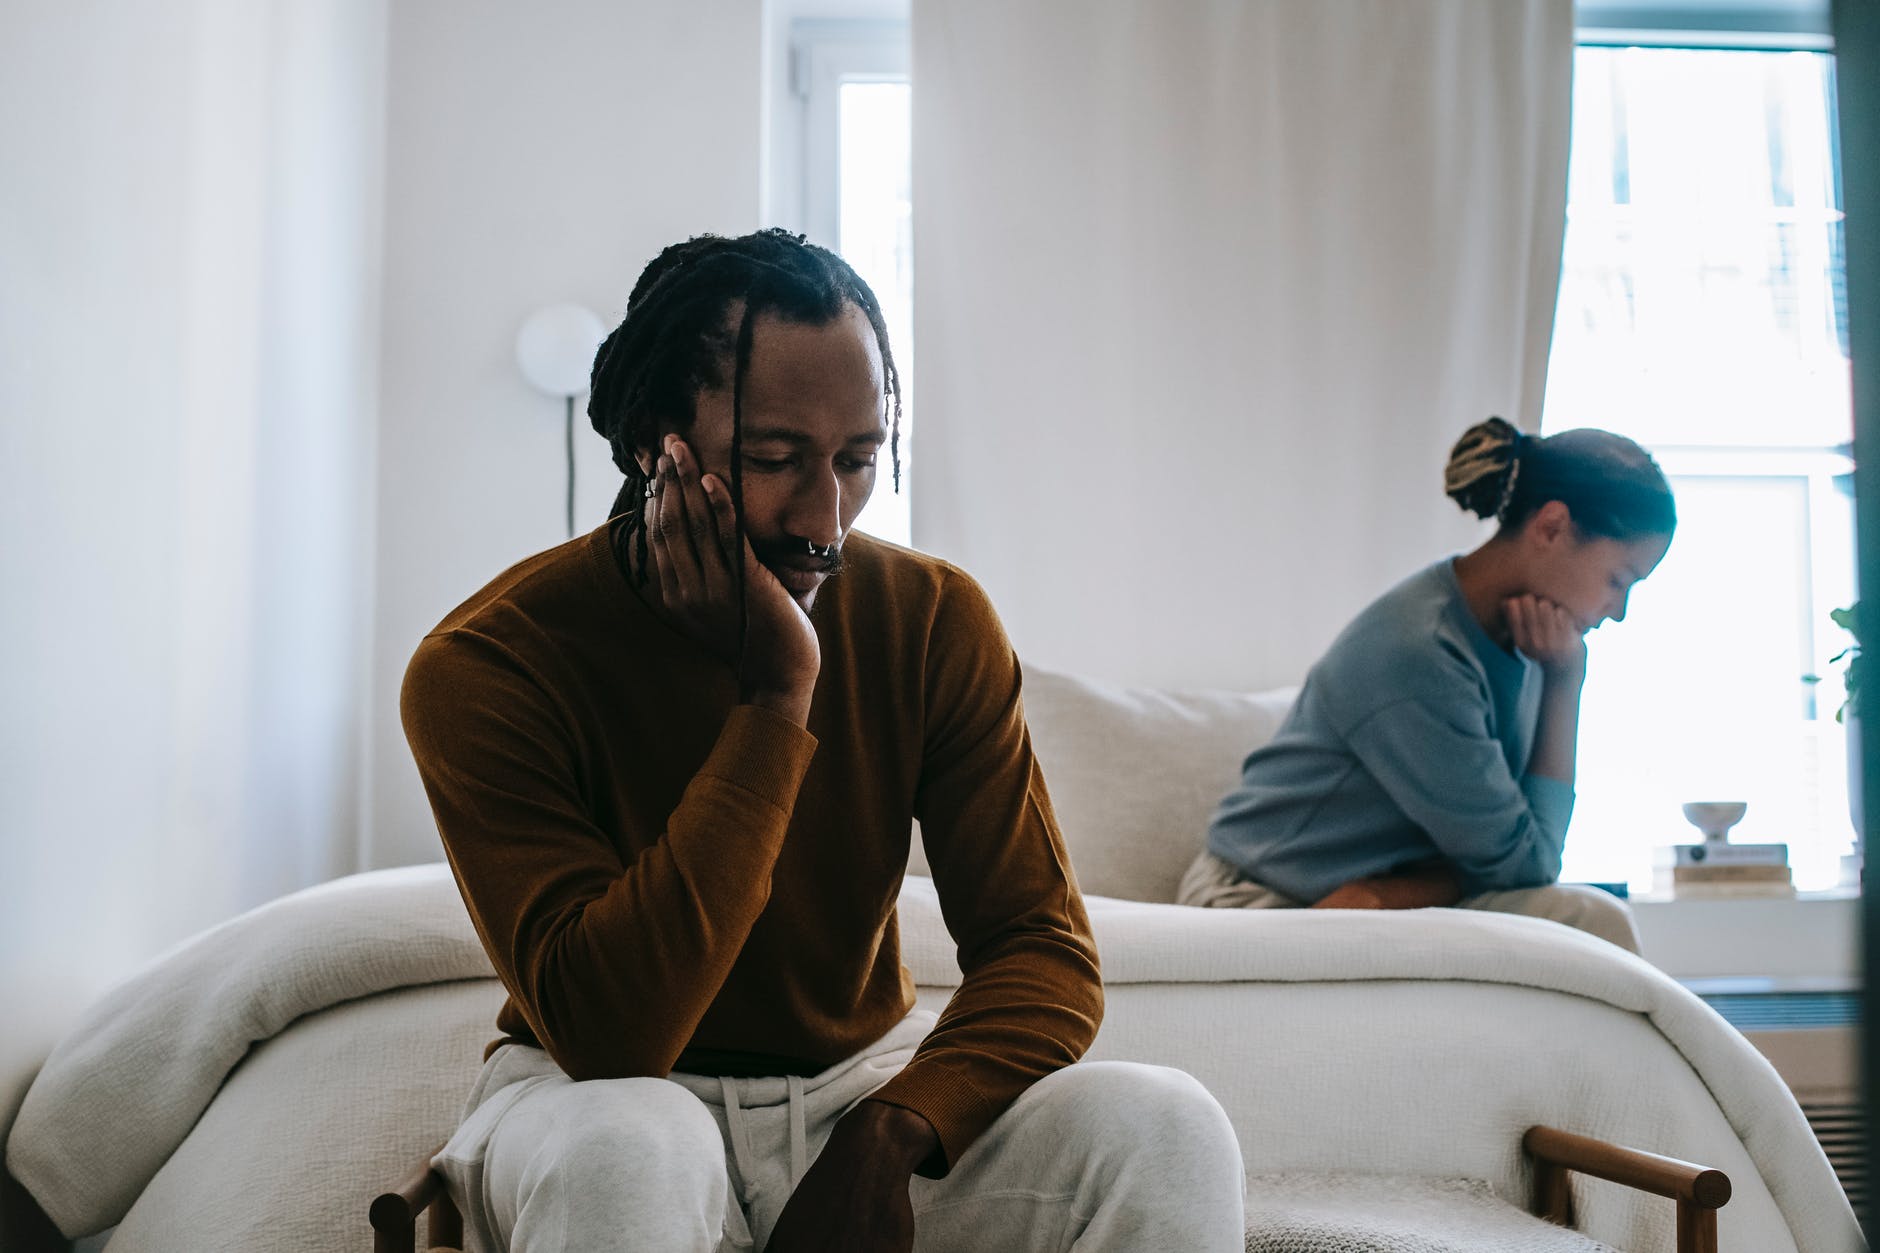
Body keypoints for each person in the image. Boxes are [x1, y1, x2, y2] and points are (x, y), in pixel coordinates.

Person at [401, 229, 1245, 1253]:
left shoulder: (932, 619)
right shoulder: (487, 664)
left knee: (1166, 1125)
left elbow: (1043, 952)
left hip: (849, 1092)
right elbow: (613, 1031)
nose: (824, 517)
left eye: (857, 460)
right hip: (590, 1101)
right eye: (774, 459)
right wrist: (776, 690)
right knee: (633, 1142)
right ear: (652, 443)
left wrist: (891, 1131)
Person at [1179, 417, 1677, 952]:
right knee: (1580, 919)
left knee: (1584, 922)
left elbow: (1523, 861)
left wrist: (1403, 890)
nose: (1619, 612)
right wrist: (1565, 685)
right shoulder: (1419, 651)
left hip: (1367, 898)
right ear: (1551, 527)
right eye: (1619, 580)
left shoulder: (1532, 639)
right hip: (1260, 901)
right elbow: (1524, 864)